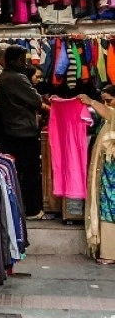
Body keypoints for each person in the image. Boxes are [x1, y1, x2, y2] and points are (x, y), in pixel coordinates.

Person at [0, 45, 49, 219]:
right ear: (12, 60)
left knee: (18, 171)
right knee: (30, 172)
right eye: (21, 60)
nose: (24, 63)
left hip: (11, 130)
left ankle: (20, 207)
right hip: (24, 132)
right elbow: (35, 100)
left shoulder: (3, 77)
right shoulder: (16, 78)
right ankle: (32, 209)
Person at [80, 86, 115, 265]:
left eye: (109, 100)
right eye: (104, 100)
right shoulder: (107, 119)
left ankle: (111, 253)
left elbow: (109, 112)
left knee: (110, 209)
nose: (106, 104)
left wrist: (91, 102)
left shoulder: (111, 115)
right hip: (108, 174)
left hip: (112, 175)